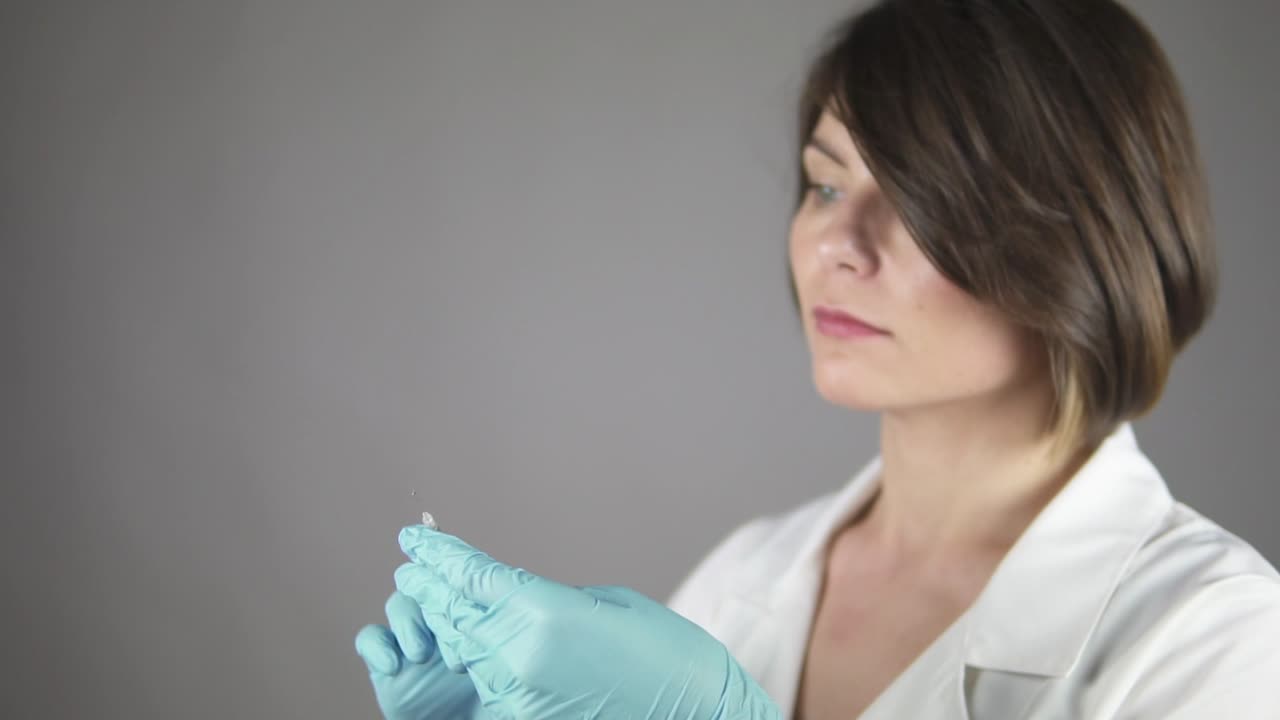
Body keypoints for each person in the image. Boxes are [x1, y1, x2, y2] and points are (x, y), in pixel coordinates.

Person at [355, 1, 1280, 718]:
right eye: (827, 182)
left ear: (1088, 245)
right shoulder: (748, 575)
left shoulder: (1214, 633)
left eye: (920, 204)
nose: (838, 244)